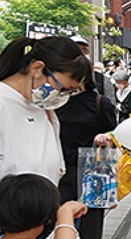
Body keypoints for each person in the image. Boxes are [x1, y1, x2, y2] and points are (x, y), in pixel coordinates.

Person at [55, 68, 117, 239]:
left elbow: (115, 134)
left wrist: (106, 138)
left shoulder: (99, 103)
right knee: (58, 216)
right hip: (60, 168)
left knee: (91, 220)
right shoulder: (53, 102)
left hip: (93, 168)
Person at [0, 37, 89, 182]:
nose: (62, 96)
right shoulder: (4, 103)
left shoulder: (44, 110)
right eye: (63, 89)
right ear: (37, 69)